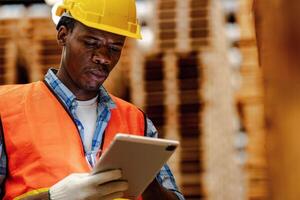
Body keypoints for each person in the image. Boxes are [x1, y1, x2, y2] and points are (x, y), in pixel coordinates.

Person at [0, 0, 184, 200]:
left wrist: (146, 184)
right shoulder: (6, 108)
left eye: (115, 48)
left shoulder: (137, 122)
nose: (104, 57)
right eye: (91, 43)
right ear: (63, 35)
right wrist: (54, 197)